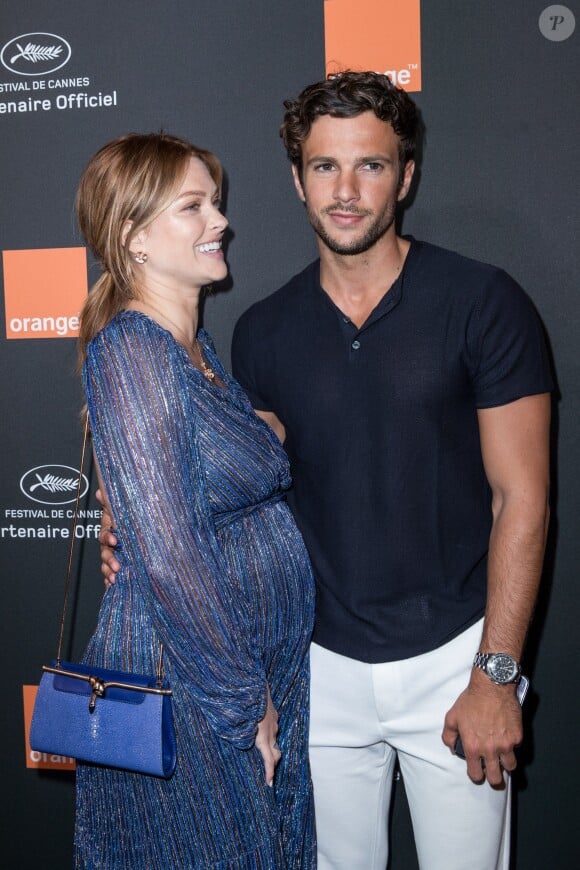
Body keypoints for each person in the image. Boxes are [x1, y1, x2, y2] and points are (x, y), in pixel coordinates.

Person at [100, 73, 552, 870]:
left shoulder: (483, 301)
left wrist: (495, 674)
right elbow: (233, 468)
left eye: (371, 166)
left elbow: (524, 498)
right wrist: (133, 511)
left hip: (453, 660)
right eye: (323, 167)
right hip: (314, 672)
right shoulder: (261, 333)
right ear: (297, 178)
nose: (345, 192)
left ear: (406, 176)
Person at [76, 132, 316, 868]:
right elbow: (175, 557)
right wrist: (245, 708)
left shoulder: (198, 352)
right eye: (194, 206)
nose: (220, 222)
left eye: (214, 202)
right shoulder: (132, 352)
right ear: (133, 237)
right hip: (194, 685)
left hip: (244, 668)